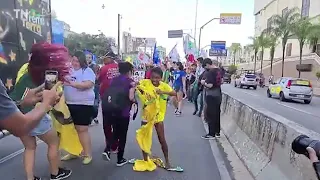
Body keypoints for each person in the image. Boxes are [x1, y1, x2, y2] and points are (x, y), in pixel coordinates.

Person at [10, 43, 72, 180]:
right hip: (36, 116)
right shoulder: (45, 77)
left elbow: (17, 96)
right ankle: (55, 173)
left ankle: (30, 178)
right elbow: (51, 101)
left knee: (30, 147)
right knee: (54, 142)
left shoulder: (25, 75)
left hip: (18, 116)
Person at [136, 67, 178, 170]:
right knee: (144, 139)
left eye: (157, 78)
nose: (154, 80)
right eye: (152, 78)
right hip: (146, 117)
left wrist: (162, 92)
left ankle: (167, 162)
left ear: (161, 78)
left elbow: (174, 93)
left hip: (158, 118)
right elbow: (137, 84)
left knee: (162, 140)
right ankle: (146, 161)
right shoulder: (146, 82)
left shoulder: (164, 86)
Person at [63, 51, 96, 164]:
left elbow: (87, 85)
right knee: (71, 130)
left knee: (82, 130)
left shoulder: (87, 71)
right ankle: (74, 151)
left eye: (77, 61)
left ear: (82, 61)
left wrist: (72, 84)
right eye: (73, 60)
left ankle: (87, 154)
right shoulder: (68, 70)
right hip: (69, 103)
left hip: (83, 104)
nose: (75, 63)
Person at [101, 62, 136, 166]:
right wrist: (135, 100)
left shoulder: (113, 80)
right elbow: (131, 97)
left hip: (112, 110)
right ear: (129, 71)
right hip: (124, 111)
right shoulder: (131, 82)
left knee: (115, 132)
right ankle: (120, 159)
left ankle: (108, 149)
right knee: (122, 135)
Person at [98, 51, 120, 154]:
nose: (103, 60)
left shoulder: (104, 68)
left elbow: (99, 80)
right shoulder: (119, 67)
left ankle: (110, 144)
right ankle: (115, 144)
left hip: (107, 98)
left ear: (109, 58)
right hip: (119, 99)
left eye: (105, 58)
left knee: (107, 123)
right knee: (116, 122)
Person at [201, 58, 222, 139]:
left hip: (211, 95)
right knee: (217, 114)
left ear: (207, 65)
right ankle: (217, 132)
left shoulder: (210, 72)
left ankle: (211, 134)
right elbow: (222, 81)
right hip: (218, 94)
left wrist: (204, 83)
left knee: (211, 114)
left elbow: (210, 85)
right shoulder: (219, 71)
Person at [86, 52, 100, 124]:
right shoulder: (83, 67)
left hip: (95, 86)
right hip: (86, 87)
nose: (87, 59)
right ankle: (90, 117)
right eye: (86, 57)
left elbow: (97, 76)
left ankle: (95, 116)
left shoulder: (95, 66)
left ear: (92, 58)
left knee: (95, 103)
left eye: (89, 57)